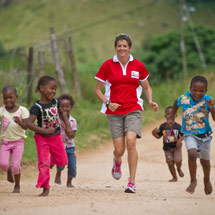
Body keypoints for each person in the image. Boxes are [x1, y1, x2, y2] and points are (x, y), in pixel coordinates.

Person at [94, 34, 159, 193]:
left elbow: (146, 87)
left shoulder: (138, 65)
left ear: (130, 48)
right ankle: (117, 161)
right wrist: (108, 102)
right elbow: (97, 90)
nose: (122, 48)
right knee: (120, 150)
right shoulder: (107, 65)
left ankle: (132, 182)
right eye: (119, 46)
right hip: (114, 111)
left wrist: (150, 100)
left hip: (133, 108)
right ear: (115, 47)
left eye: (125, 46)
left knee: (131, 142)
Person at [26, 75, 73, 197]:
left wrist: (68, 126)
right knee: (44, 163)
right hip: (42, 138)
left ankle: (51, 159)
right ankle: (45, 187)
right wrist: (44, 131)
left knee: (63, 161)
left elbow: (62, 113)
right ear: (42, 88)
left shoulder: (55, 101)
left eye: (55, 89)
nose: (53, 91)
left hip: (56, 136)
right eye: (51, 88)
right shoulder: (37, 107)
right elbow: (29, 123)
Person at [168, 75, 215, 195]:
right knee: (192, 153)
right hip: (189, 133)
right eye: (194, 90)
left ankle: (206, 179)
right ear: (190, 88)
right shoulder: (185, 98)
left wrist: (212, 108)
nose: (197, 93)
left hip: (205, 135)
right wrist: (172, 117)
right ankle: (193, 181)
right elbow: (175, 102)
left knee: (205, 161)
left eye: (201, 91)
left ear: (206, 91)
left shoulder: (208, 100)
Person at [0, 85, 29, 193]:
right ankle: (8, 170)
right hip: (5, 142)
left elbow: (26, 126)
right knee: (3, 164)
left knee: (16, 165)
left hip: (18, 142)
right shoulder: (1, 111)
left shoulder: (22, 110)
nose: (8, 100)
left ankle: (17, 185)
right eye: (5, 98)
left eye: (10, 97)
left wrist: (20, 122)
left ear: (16, 97)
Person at [152, 106, 184, 182]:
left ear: (176, 116)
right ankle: (174, 177)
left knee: (178, 160)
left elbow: (183, 135)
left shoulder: (178, 126)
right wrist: (153, 132)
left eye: (172, 114)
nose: (170, 116)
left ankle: (179, 168)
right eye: (168, 114)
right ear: (165, 116)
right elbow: (158, 136)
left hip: (176, 148)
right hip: (167, 149)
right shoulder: (162, 126)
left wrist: (180, 140)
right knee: (170, 163)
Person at [54, 93, 77, 188]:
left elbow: (72, 135)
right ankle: (58, 172)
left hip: (70, 146)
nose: (64, 109)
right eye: (62, 107)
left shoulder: (73, 121)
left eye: (67, 106)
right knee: (61, 164)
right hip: (59, 146)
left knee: (72, 166)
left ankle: (69, 182)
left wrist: (67, 127)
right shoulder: (56, 119)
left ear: (71, 107)